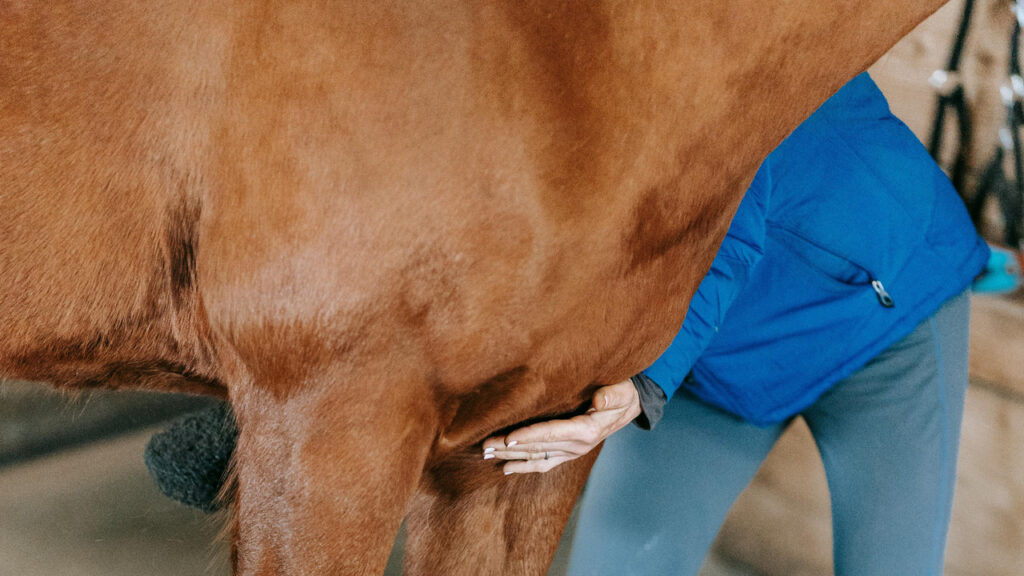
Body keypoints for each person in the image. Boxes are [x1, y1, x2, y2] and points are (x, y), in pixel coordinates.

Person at [482, 72, 990, 576]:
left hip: (888, 319)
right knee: (618, 558)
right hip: (713, 360)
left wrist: (647, 381)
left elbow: (722, 216)